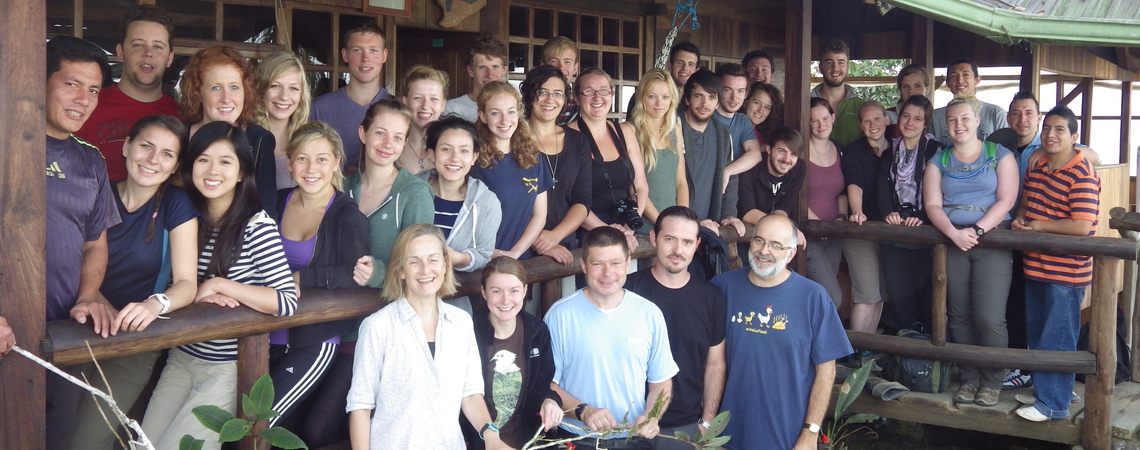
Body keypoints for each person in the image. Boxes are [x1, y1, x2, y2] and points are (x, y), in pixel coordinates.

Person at [141, 121, 297, 450]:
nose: (213, 170)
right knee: (143, 444)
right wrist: (203, 291)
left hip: (226, 368)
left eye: (226, 161)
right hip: (181, 357)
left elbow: (286, 302)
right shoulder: (187, 218)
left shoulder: (257, 225)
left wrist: (222, 285)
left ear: (241, 172)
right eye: (203, 159)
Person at [70, 116, 198, 450]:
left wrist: (154, 304)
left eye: (167, 154)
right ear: (127, 146)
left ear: (175, 166)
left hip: (134, 340)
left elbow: (187, 283)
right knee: (52, 430)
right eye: (146, 146)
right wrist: (96, 301)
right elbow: (72, 264)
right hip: (79, 329)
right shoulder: (99, 193)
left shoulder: (176, 203)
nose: (153, 160)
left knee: (86, 440)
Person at [319, 99, 434, 446]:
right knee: (319, 429)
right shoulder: (341, 186)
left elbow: (424, 269)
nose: (387, 144)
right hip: (333, 327)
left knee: (370, 429)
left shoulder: (414, 192)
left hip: (388, 334)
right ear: (363, 134)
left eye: (398, 137)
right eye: (380, 133)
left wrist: (379, 272)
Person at [346, 224, 509, 449]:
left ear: (444, 265)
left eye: (433, 259)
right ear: (401, 270)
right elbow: (360, 406)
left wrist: (492, 437)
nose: (425, 269)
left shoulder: (461, 322)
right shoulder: (377, 326)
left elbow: (470, 394)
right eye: (414, 261)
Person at [713, 214, 852, 450]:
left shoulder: (813, 297)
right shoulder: (722, 287)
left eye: (776, 245)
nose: (764, 251)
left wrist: (810, 432)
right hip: (725, 435)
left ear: (791, 253)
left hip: (786, 437)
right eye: (759, 240)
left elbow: (826, 371)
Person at [267, 121, 370, 434]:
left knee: (257, 423)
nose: (311, 168)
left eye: (322, 159)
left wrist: (306, 277)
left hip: (313, 340)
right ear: (289, 162)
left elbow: (358, 278)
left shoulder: (347, 216)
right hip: (263, 333)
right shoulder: (276, 202)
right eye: (302, 158)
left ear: (336, 162)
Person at [44, 36, 120, 450]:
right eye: (72, 84)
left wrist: (88, 296)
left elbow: (95, 243)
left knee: (54, 438)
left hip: (63, 333)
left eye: (93, 90)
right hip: (4, 332)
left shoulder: (90, 159)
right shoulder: (7, 145)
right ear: (40, 80)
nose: (83, 99)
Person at [545, 226, 679, 449]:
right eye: (598, 264)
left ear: (628, 263)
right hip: (578, 439)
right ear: (584, 265)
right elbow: (548, 385)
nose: (608, 273)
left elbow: (661, 381)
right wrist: (583, 410)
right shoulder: (560, 315)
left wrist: (651, 415)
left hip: (634, 438)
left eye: (615, 263)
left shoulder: (649, 313)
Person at [924, 96, 1018, 408]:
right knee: (959, 314)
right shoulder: (939, 159)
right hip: (952, 241)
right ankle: (969, 377)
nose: (958, 125)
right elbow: (932, 204)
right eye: (952, 120)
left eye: (964, 118)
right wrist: (953, 233)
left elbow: (1006, 199)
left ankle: (992, 380)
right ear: (945, 126)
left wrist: (977, 231)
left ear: (978, 122)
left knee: (990, 317)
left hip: (992, 240)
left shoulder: (999, 154)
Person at [1013, 106, 1100, 422]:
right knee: (1038, 332)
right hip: (1035, 265)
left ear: (1075, 137)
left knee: (1058, 337)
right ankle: (1045, 393)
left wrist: (1036, 226)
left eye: (1060, 129)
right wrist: (1021, 220)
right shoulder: (1037, 166)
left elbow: (1081, 225)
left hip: (1067, 272)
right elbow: (1025, 205)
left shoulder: (1082, 173)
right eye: (1047, 127)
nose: (1051, 134)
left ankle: (1054, 405)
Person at [625, 206, 726, 450]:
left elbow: (715, 364)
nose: (678, 250)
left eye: (687, 242)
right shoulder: (627, 292)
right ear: (653, 238)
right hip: (628, 424)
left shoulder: (711, 298)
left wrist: (707, 422)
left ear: (697, 245)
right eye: (669, 239)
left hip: (686, 428)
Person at [461, 256, 565, 448]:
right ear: (483, 292)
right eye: (496, 291)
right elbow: (463, 396)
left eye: (514, 291)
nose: (505, 300)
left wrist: (549, 401)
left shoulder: (536, 331)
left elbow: (540, 388)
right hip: (477, 443)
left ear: (525, 291)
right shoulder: (467, 332)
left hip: (523, 442)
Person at [76, 5, 180, 182]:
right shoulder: (88, 104)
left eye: (158, 47)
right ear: (120, 52)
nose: (148, 53)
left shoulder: (180, 117)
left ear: (169, 58)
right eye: (138, 45)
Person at [179, 45, 279, 217]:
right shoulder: (179, 137)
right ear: (198, 93)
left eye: (234, 87)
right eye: (216, 88)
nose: (226, 99)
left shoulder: (259, 140)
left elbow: (267, 210)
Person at [419, 116, 502, 313]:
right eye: (446, 149)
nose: (455, 158)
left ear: (474, 157)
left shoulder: (487, 202)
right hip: (406, 298)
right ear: (431, 154)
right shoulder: (412, 191)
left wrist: (456, 258)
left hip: (455, 305)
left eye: (464, 151)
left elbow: (483, 255)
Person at [876, 94, 942, 332]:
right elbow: (882, 188)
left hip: (926, 233)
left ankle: (927, 358)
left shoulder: (936, 150)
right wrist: (888, 213)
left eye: (918, 118)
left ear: (926, 124)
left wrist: (922, 216)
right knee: (900, 295)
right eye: (906, 116)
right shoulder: (889, 151)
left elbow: (941, 190)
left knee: (928, 295)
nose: (910, 122)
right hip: (895, 235)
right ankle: (904, 358)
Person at [470, 81, 553, 260]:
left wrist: (515, 253)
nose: (504, 120)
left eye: (510, 111)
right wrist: (480, 252)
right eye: (495, 113)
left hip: (520, 261)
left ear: (519, 112)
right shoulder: (472, 160)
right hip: (480, 261)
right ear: (482, 116)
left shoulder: (534, 158)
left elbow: (539, 215)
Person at [569, 69, 648, 251]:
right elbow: (570, 198)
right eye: (589, 91)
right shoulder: (567, 136)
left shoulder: (626, 131)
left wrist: (629, 228)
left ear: (611, 94)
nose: (597, 97)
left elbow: (641, 187)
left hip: (627, 224)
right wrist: (607, 231)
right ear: (576, 97)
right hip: (587, 229)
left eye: (604, 90)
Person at [522, 66, 591, 266]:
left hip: (566, 245)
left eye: (557, 94)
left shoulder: (578, 142)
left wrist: (554, 236)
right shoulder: (513, 138)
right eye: (542, 92)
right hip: (519, 246)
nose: (550, 99)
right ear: (529, 95)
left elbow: (583, 200)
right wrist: (537, 239)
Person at [311, 21, 390, 173]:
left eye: (373, 50)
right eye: (357, 50)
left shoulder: (397, 108)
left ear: (384, 55)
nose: (365, 58)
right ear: (345, 55)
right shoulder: (318, 108)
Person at [842, 101, 889, 338]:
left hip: (889, 232)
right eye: (867, 121)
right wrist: (857, 211)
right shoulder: (854, 151)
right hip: (861, 230)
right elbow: (854, 183)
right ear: (861, 126)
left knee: (880, 295)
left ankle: (868, 353)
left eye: (877, 119)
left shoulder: (896, 149)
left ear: (887, 120)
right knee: (866, 295)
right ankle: (854, 354)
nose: (873, 125)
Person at [678, 70, 744, 237]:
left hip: (711, 226)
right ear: (687, 99)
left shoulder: (722, 133)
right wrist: (689, 219)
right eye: (698, 96)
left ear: (717, 103)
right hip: (677, 225)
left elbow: (730, 179)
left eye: (711, 97)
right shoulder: (673, 128)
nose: (704, 103)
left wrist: (729, 215)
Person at [627, 69, 689, 233]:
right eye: (652, 96)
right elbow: (634, 187)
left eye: (665, 97)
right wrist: (663, 224)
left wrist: (682, 219)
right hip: (643, 228)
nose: (659, 103)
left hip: (673, 227)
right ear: (642, 98)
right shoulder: (630, 131)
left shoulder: (675, 129)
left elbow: (681, 182)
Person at [804, 97, 848, 307]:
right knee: (832, 298)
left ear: (833, 117)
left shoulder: (838, 149)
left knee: (823, 300)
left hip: (834, 235)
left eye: (825, 118)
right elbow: (795, 194)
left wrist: (841, 218)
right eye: (814, 120)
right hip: (810, 235)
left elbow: (842, 190)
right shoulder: (801, 150)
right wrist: (818, 225)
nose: (821, 125)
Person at [253, 51, 312, 190]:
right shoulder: (245, 139)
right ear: (261, 90)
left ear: (301, 95)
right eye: (275, 86)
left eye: (293, 88)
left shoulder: (310, 141)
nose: (284, 96)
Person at [737, 127, 806, 225]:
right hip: (742, 232)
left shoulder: (799, 168)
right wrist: (784, 227)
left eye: (793, 154)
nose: (786, 159)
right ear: (769, 149)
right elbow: (747, 213)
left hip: (771, 229)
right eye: (782, 151)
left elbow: (784, 206)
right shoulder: (751, 167)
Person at [930, 59, 1008, 146]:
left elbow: (1005, 148)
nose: (960, 80)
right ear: (947, 83)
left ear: (977, 80)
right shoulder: (935, 116)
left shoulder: (996, 113)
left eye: (966, 74)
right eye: (954, 76)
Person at [810, 39, 865, 147]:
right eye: (829, 62)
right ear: (820, 68)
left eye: (841, 62)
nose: (835, 68)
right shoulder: (805, 105)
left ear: (847, 67)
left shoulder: (861, 106)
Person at [444, 36, 508, 123]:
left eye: (495, 67)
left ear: (504, 70)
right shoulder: (453, 110)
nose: (490, 75)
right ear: (470, 71)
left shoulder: (513, 108)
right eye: (482, 67)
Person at [398, 65, 449, 174]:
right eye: (418, 98)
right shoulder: (391, 145)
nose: (425, 105)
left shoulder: (453, 147)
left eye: (433, 99)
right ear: (405, 101)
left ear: (443, 105)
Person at [713, 64, 763, 160]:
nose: (734, 97)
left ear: (746, 94)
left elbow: (755, 155)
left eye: (740, 91)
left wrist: (727, 172)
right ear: (718, 90)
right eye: (728, 90)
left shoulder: (742, 120)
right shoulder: (705, 117)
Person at [541, 36, 581, 126]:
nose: (561, 68)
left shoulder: (581, 102)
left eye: (567, 62)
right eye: (554, 61)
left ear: (575, 68)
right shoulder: (533, 100)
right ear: (543, 66)